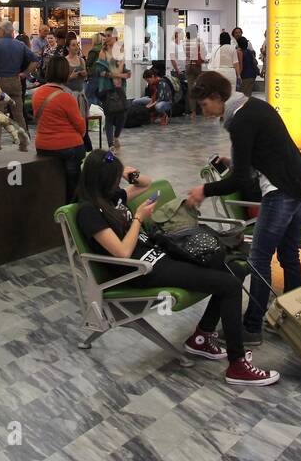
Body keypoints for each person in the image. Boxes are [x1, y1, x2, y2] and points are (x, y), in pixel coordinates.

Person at [77, 149, 279, 386]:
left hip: (158, 255)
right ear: (102, 180)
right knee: (229, 284)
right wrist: (138, 218)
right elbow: (122, 252)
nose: (116, 183)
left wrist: (126, 173)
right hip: (140, 270)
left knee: (234, 268)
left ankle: (201, 337)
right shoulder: (88, 211)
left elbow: (144, 185)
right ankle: (237, 366)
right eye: (113, 177)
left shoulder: (112, 197)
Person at [186, 72, 301, 347]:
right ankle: (292, 315)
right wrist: (238, 161)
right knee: (289, 254)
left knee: (259, 259)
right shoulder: (253, 106)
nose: (204, 112)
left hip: (281, 191)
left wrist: (204, 191)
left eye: (204, 105)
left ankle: (252, 327)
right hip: (300, 184)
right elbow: (265, 152)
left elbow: (240, 180)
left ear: (217, 98)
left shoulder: (239, 120)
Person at [34, 57, 87, 202]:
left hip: (43, 146)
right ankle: (73, 206)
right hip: (68, 148)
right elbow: (81, 126)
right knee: (74, 185)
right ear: (65, 73)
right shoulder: (66, 97)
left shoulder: (37, 94)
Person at [0, 19, 37, 148]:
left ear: (2, 31)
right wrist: (25, 73)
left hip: (0, 82)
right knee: (18, 114)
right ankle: (24, 142)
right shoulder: (20, 45)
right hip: (15, 81)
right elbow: (35, 60)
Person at [92, 29, 130, 148]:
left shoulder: (120, 50)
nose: (106, 38)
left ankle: (116, 136)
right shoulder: (103, 52)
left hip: (120, 87)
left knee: (123, 113)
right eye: (105, 36)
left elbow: (123, 68)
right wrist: (120, 75)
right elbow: (101, 72)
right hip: (107, 88)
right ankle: (110, 144)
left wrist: (126, 73)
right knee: (109, 115)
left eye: (109, 36)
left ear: (115, 37)